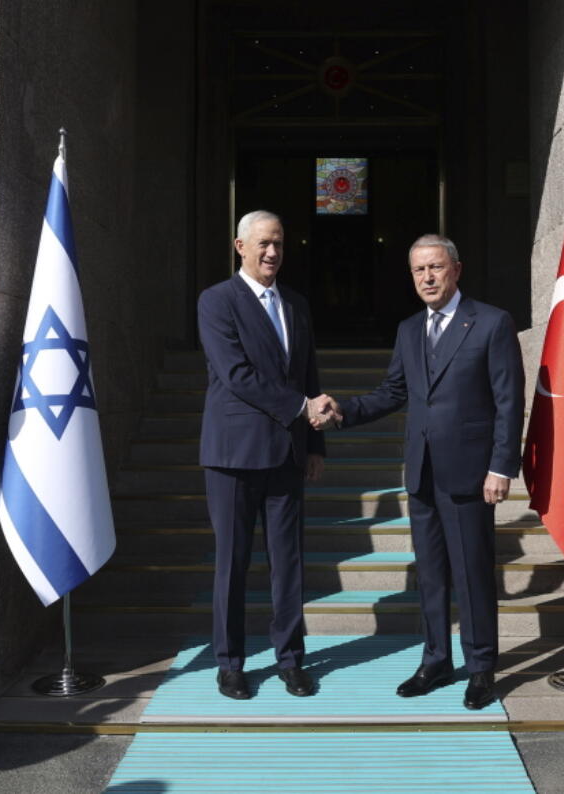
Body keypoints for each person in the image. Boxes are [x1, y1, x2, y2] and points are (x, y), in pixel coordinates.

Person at [313, 234, 524, 710]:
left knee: (471, 574)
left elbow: (509, 402)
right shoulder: (409, 329)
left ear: (456, 269)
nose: (427, 278)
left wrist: (501, 466)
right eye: (418, 271)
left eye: (435, 268)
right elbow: (392, 392)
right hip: (422, 472)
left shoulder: (491, 323)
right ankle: (435, 660)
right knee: (429, 574)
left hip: (472, 474)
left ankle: (481, 667)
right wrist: (343, 410)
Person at [198, 210, 331, 700]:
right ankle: (230, 663)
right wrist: (301, 407)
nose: (272, 252)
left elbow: (308, 374)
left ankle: (291, 659)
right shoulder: (217, 301)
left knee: (289, 563)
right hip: (233, 455)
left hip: (288, 454)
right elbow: (236, 374)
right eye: (263, 244)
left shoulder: (295, 303)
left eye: (278, 243)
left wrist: (314, 440)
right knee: (232, 564)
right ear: (240, 246)